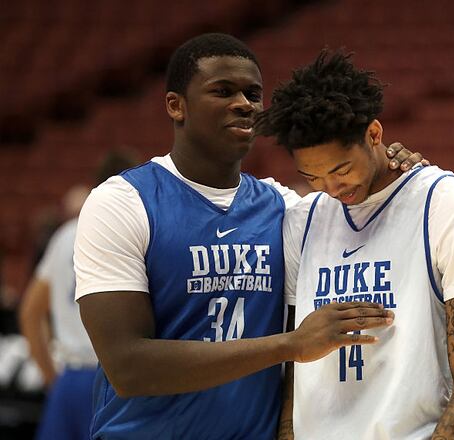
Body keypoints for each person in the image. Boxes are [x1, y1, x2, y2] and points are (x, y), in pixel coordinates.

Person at [74, 33, 422, 439]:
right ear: (176, 106)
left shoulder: (286, 207)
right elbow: (128, 367)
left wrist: (393, 168)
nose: (245, 104)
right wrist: (290, 345)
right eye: (222, 91)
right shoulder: (122, 202)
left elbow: (372, 214)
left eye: (253, 94)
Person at [257, 50, 454, 439]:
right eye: (313, 176)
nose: (332, 189)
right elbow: (292, 378)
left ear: (374, 134)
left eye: (341, 169)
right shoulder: (302, 219)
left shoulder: (447, 203)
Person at [18, 152, 136, 440]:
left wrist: (51, 379)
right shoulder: (135, 233)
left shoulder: (65, 234)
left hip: (69, 380)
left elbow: (30, 313)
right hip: (112, 381)